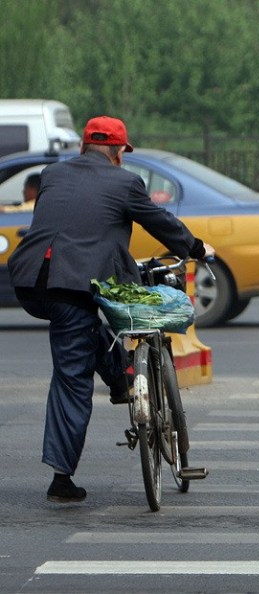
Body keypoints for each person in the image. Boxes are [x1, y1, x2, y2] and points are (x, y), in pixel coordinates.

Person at [7, 115, 215, 503]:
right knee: (72, 376)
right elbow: (160, 222)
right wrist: (197, 249)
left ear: (84, 146)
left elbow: (69, 224)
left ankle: (121, 378)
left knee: (85, 329)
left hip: (30, 278)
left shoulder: (53, 173)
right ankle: (61, 477)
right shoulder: (124, 182)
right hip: (70, 284)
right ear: (119, 151)